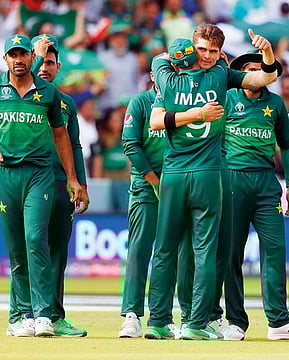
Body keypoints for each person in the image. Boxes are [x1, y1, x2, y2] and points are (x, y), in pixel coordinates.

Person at [146, 26, 279, 340]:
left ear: (221, 52)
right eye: (201, 50)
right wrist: (197, 114)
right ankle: (189, 324)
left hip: (177, 173)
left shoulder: (166, 75)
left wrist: (267, 53)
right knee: (200, 250)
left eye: (213, 52)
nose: (207, 57)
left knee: (167, 249)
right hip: (200, 173)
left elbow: (265, 77)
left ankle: (162, 322)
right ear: (193, 49)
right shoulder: (220, 74)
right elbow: (266, 78)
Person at [0, 34, 84, 337]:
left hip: (39, 173)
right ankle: (19, 317)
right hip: (6, 175)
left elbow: (61, 137)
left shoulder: (49, 93)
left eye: (22, 54)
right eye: (12, 55)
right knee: (16, 248)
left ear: (32, 57)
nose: (17, 60)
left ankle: (43, 315)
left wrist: (71, 178)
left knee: (35, 239)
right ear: (5, 60)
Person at [222, 49, 289, 341]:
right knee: (231, 254)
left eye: (259, 69)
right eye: (248, 69)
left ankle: (279, 323)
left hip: (266, 183)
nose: (254, 74)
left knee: (274, 251)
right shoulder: (226, 98)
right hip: (232, 179)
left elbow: (286, 146)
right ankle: (235, 321)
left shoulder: (274, 104)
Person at [31, 33, 90, 337]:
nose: (44, 67)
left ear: (59, 67)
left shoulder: (66, 103)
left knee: (57, 252)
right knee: (31, 246)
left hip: (59, 183)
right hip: (29, 182)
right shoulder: (21, 95)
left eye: (50, 62)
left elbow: (76, 145)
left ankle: (54, 315)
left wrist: (79, 182)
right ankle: (28, 313)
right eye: (40, 60)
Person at [117, 71, 180, 339]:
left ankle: (162, 317)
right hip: (146, 185)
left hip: (177, 185)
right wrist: (154, 180)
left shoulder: (182, 102)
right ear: (154, 75)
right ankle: (131, 316)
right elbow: (130, 144)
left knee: (169, 252)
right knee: (140, 248)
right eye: (165, 71)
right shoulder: (141, 102)